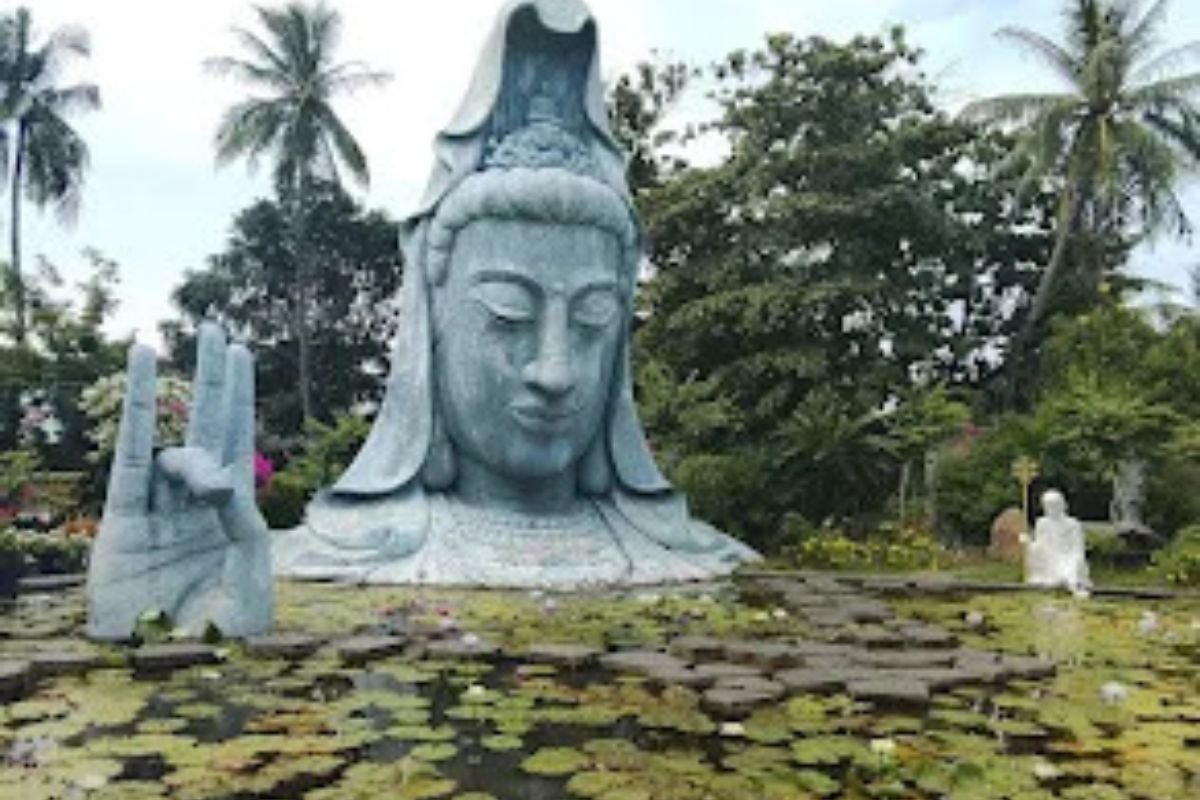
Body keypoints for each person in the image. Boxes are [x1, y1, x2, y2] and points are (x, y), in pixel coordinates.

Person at [272, 0, 758, 586]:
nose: (554, 375)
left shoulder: (693, 560)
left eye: (592, 321)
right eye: (509, 315)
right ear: (435, 326)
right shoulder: (333, 559)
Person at [1024, 489, 1092, 594]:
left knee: (1071, 567)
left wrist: (1075, 557)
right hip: (1049, 556)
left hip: (1067, 555)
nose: (1050, 509)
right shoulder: (1042, 523)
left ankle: (1071, 583)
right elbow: (1040, 543)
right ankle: (1043, 576)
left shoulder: (1072, 524)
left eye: (1053, 505)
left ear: (1061, 505)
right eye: (1047, 506)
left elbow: (1078, 547)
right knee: (1034, 549)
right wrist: (1028, 542)